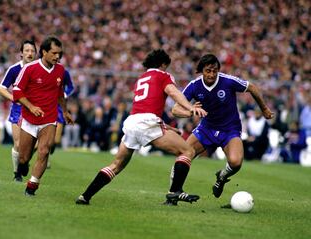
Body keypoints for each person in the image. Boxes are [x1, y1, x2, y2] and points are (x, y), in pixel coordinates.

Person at [75, 49, 207, 205]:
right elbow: (173, 92)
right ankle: (175, 191)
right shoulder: (163, 75)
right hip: (147, 123)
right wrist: (190, 107)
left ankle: (85, 196)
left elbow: (145, 109)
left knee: (116, 165)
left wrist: (167, 127)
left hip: (132, 122)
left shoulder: (141, 79)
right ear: (163, 64)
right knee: (187, 150)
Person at [171, 54, 274, 198]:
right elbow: (175, 109)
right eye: (208, 70)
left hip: (230, 129)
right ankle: (173, 193)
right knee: (183, 156)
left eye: (214, 71)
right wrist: (190, 111)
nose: (212, 74)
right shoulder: (194, 86)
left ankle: (222, 176)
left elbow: (252, 87)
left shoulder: (228, 81)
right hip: (206, 129)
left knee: (236, 162)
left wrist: (264, 109)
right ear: (202, 70)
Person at [13, 36, 73, 196]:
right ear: (44, 52)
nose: (57, 57)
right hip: (29, 119)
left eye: (59, 54)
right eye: (54, 53)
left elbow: (60, 93)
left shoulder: (61, 70)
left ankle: (31, 187)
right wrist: (31, 107)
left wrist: (65, 112)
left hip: (49, 118)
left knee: (44, 151)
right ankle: (22, 166)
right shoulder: (30, 69)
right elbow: (17, 91)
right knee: (24, 158)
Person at [0, 40, 37, 181]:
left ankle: (24, 162)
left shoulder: (39, 69)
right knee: (18, 144)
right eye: (27, 50)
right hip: (18, 110)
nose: (29, 53)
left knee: (36, 144)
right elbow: (1, 88)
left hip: (35, 110)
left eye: (32, 51)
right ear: (21, 53)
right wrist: (13, 98)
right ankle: (17, 174)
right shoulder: (14, 69)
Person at [47, 69, 74, 169]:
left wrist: (63, 95)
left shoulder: (63, 72)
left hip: (59, 108)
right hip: (46, 106)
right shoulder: (42, 69)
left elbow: (71, 86)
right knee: (45, 138)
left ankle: (48, 151)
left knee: (56, 140)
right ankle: (43, 159)